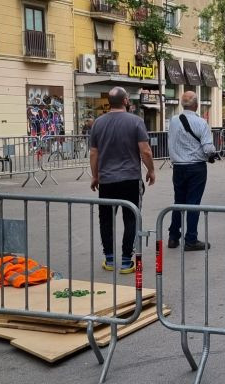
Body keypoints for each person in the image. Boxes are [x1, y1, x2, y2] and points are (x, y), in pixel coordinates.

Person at [89, 87, 155, 273]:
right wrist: (151, 171)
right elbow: (145, 151)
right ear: (125, 100)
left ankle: (109, 260)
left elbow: (94, 153)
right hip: (130, 179)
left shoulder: (98, 123)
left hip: (107, 181)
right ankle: (127, 261)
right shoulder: (136, 122)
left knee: (106, 220)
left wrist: (95, 176)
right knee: (131, 218)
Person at [167, 91, 217, 251]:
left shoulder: (174, 121)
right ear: (196, 105)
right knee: (193, 203)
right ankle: (191, 239)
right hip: (196, 167)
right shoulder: (201, 123)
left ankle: (173, 236)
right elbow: (208, 148)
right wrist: (213, 153)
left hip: (178, 167)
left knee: (179, 201)